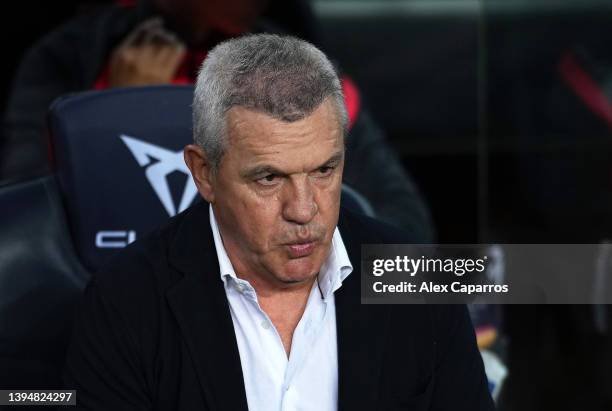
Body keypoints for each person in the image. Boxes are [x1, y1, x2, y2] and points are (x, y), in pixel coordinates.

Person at [63, 34, 493, 410]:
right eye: (269, 178)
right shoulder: (124, 303)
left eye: (324, 171)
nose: (304, 210)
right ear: (204, 173)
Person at [1, 0, 433, 241]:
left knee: (480, 277)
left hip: (285, 319)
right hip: (118, 317)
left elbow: (407, 234)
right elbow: (24, 226)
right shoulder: (72, 62)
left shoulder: (304, 70)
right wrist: (122, 114)